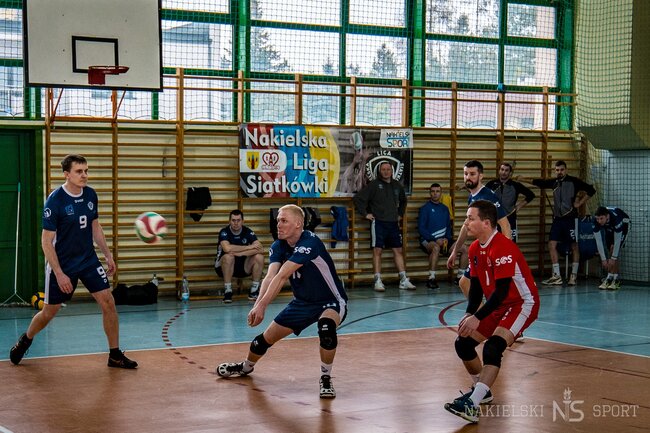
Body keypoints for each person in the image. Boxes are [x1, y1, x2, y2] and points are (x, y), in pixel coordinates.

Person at [9, 154, 137, 369]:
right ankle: (26, 339)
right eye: (79, 171)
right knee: (49, 312)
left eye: (86, 171)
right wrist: (59, 274)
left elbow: (95, 227)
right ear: (66, 174)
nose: (84, 175)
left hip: (88, 260)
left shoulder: (90, 195)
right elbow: (46, 242)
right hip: (63, 264)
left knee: (108, 302)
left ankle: (115, 355)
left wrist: (107, 254)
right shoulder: (55, 201)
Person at [216, 205, 348, 399]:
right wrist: (257, 305)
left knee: (326, 329)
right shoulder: (278, 245)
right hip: (302, 303)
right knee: (262, 341)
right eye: (278, 220)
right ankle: (245, 367)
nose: (278, 224)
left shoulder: (310, 242)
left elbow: (282, 276)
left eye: (284, 221)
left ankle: (326, 378)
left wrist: (262, 306)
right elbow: (270, 277)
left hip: (330, 301)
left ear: (298, 224)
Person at [443, 200, 539, 424]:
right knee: (463, 343)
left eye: (470, 218)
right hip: (499, 305)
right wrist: (469, 314)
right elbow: (476, 288)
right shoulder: (475, 248)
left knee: (493, 347)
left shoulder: (503, 247)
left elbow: (502, 292)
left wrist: (478, 317)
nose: (466, 223)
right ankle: (481, 390)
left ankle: (473, 403)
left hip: (521, 304)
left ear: (486, 223)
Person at [521, 160, 596, 286]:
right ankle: (556, 276)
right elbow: (539, 183)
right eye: (557, 170)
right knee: (551, 244)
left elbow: (591, 190)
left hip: (570, 218)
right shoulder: (554, 182)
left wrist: (579, 203)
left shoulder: (574, 181)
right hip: (558, 219)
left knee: (574, 246)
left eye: (561, 170)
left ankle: (573, 275)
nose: (559, 172)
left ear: (566, 170)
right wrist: (523, 179)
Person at [447, 160, 511, 298]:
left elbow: (505, 225)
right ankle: (481, 312)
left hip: (494, 250)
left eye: (472, 174)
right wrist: (455, 251)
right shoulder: (472, 197)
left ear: (480, 176)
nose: (468, 177)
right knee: (465, 283)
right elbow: (466, 225)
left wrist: (505, 255)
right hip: (482, 249)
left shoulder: (488, 197)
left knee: (490, 289)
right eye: (465, 174)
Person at [353, 160, 415, 292]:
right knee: (378, 251)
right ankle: (377, 280)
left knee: (398, 250)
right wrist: (366, 214)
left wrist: (400, 214)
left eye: (388, 169)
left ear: (392, 171)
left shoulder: (397, 185)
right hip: (378, 223)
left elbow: (403, 201)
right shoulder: (374, 185)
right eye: (383, 170)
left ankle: (403, 279)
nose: (386, 172)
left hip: (393, 223)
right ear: (379, 171)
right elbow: (358, 199)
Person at [417, 183, 468, 289]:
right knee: (435, 248)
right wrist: (435, 239)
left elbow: (448, 227)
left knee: (464, 248)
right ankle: (431, 279)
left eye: (437, 191)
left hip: (444, 240)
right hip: (428, 240)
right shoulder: (425, 208)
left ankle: (460, 277)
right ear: (430, 193)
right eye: (433, 191)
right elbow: (421, 229)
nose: (435, 194)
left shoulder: (445, 208)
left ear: (441, 193)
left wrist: (447, 239)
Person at [214, 210, 264, 303]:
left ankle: (254, 291)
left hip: (243, 267)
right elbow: (227, 249)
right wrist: (248, 247)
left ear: (242, 221)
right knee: (229, 256)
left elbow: (260, 249)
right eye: (233, 220)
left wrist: (240, 253)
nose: (236, 223)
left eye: (238, 220)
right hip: (223, 268)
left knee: (259, 257)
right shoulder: (224, 232)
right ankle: (228, 291)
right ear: (229, 221)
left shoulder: (247, 231)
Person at [485, 162, 536, 242]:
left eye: (506, 170)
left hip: (510, 217)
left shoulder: (515, 185)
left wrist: (519, 206)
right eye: (502, 169)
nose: (504, 172)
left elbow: (531, 195)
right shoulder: (491, 184)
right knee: (494, 243)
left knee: (510, 243)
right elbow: (482, 195)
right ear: (499, 171)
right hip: (494, 218)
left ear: (510, 173)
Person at [593, 206, 630, 290]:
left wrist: (613, 258)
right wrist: (603, 259)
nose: (599, 221)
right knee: (610, 249)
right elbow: (598, 241)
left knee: (614, 250)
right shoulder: (596, 221)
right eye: (597, 219)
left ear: (607, 216)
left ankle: (615, 279)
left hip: (624, 225)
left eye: (601, 218)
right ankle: (610, 278)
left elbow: (617, 241)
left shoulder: (616, 219)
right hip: (610, 227)